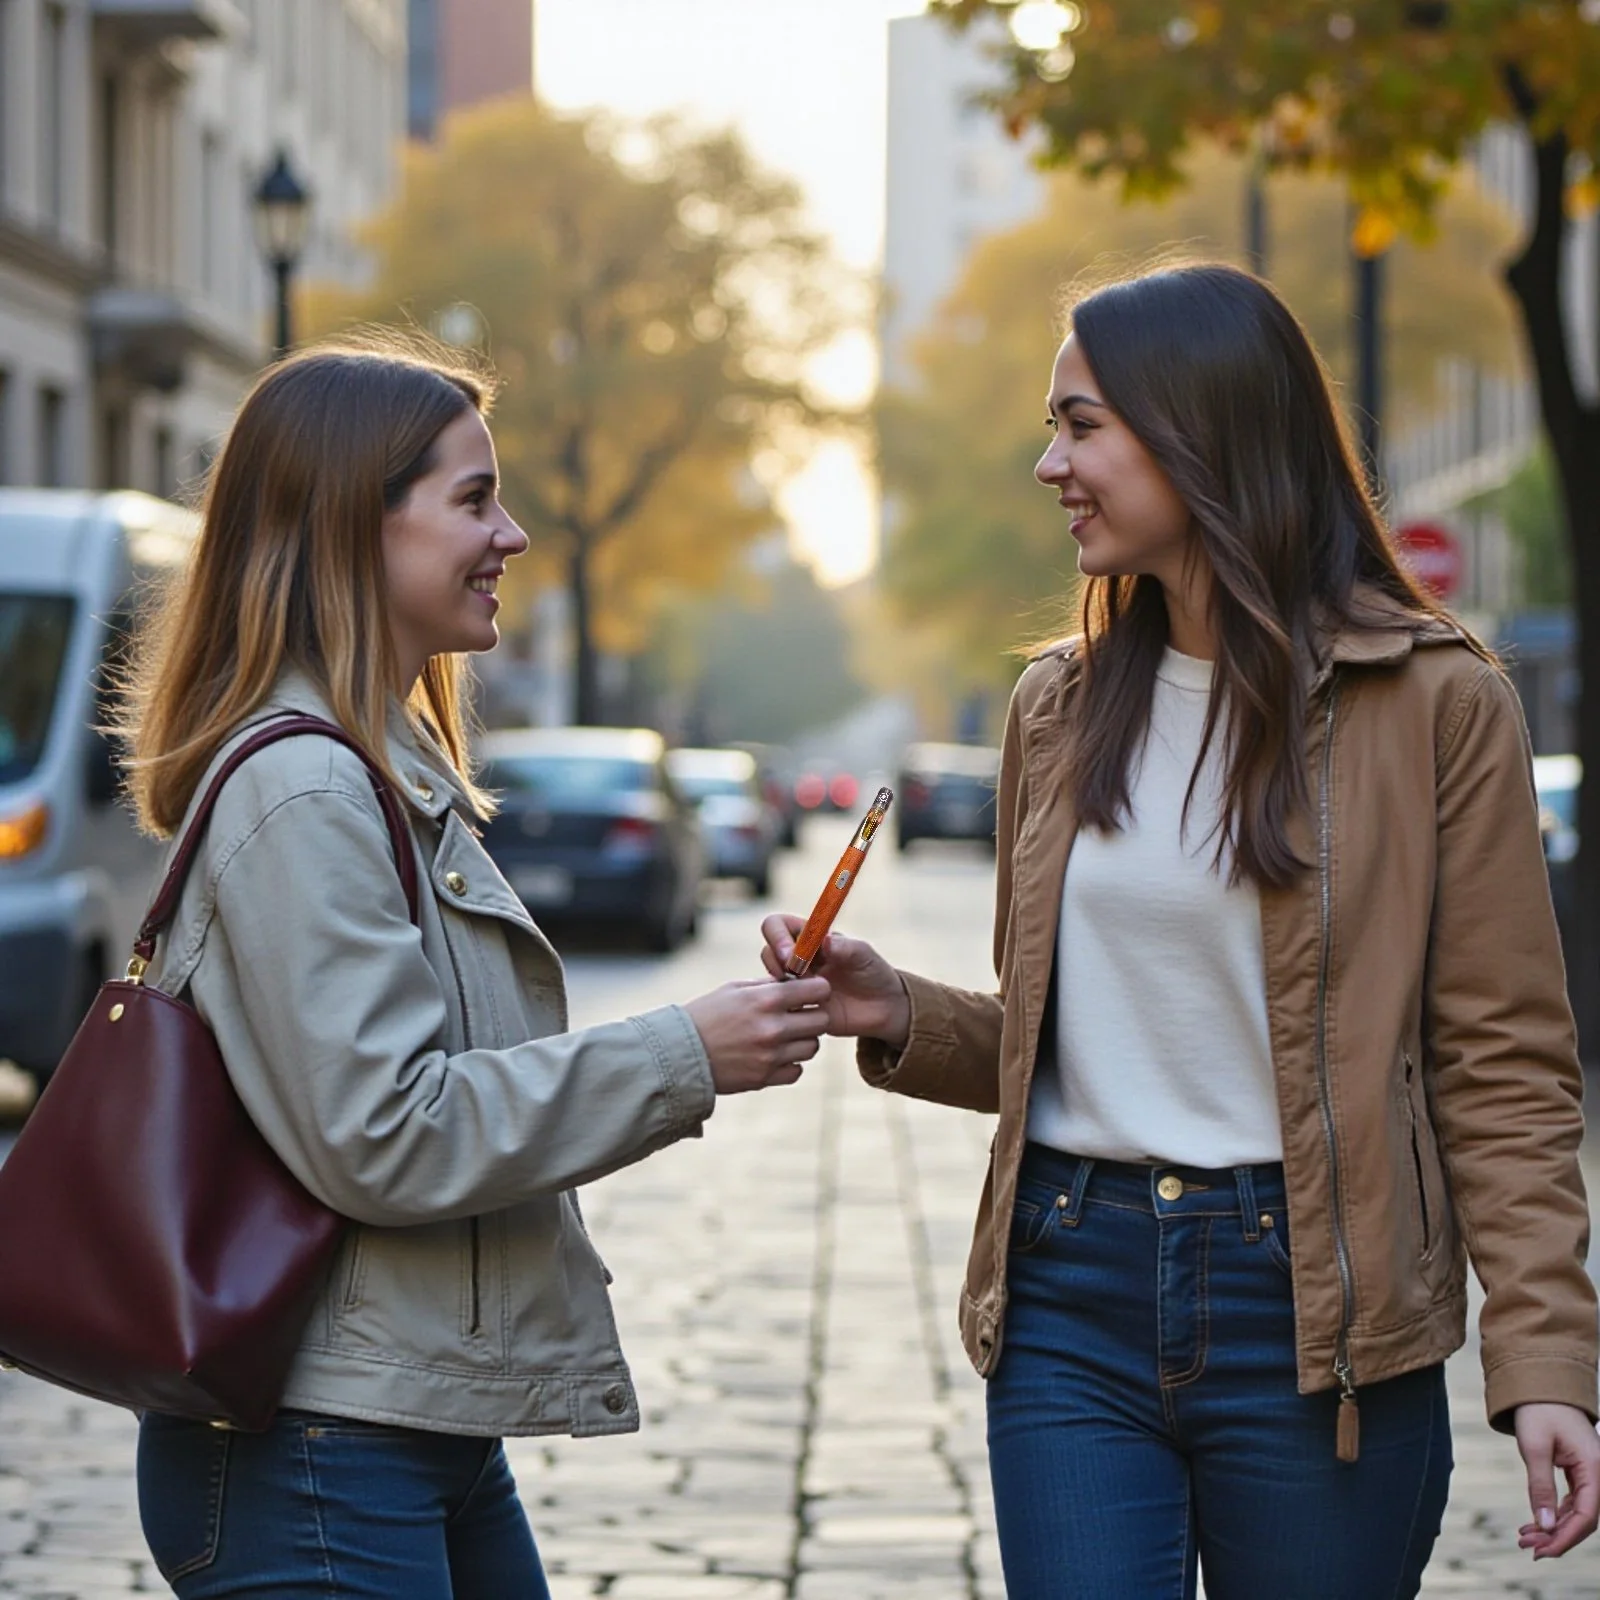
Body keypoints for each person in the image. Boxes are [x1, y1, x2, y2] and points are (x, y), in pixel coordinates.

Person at [760, 262, 1600, 1599]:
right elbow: (1072, 1044)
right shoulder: (1055, 709)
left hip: (1316, 1314)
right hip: (1069, 1291)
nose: (1050, 464)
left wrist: (1546, 1358)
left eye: (1081, 424)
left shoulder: (1437, 703)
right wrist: (900, 1011)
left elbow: (1503, 1064)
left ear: (1199, 427)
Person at [115, 337, 832, 1599]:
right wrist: (684, 1052)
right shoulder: (305, 787)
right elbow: (386, 1131)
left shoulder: (380, 769)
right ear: (353, 524)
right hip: (313, 1445)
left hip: (400, 1416)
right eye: (472, 498)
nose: (513, 533)